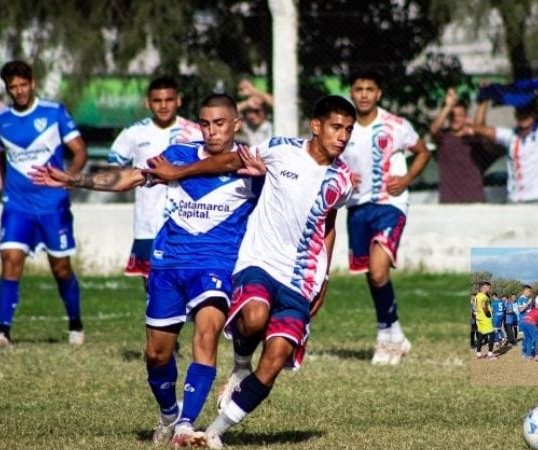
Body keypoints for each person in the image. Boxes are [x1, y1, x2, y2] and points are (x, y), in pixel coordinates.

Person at [31, 94, 259, 447]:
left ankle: (185, 426)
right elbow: (128, 178)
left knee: (206, 336)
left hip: (215, 265)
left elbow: (240, 168)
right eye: (206, 123)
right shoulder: (178, 153)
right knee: (156, 354)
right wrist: (72, 180)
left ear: (235, 125)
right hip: (167, 264)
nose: (212, 131)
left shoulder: (248, 162)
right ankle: (170, 412)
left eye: (220, 123)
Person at [146, 95, 356, 449]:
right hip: (259, 261)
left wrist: (325, 276)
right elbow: (229, 161)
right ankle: (241, 361)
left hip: (301, 278)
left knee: (274, 361)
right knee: (255, 318)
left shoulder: (343, 179)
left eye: (348, 130)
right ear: (316, 126)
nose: (343, 136)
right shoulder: (280, 149)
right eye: (336, 127)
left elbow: (329, 223)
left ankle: (213, 432)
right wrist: (177, 173)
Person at [0, 60, 88, 347]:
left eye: (22, 85)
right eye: (12, 87)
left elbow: (79, 150)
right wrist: (7, 189)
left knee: (61, 268)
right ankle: (2, 332)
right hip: (17, 206)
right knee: (10, 262)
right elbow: (3, 156)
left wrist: (69, 178)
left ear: (33, 83)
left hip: (52, 205)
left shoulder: (53, 113)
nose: (18, 91)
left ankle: (76, 324)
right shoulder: (2, 120)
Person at [341, 69, 431, 365]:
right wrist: (340, 177)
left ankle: (384, 337)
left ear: (378, 94)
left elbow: (422, 152)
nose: (364, 94)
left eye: (370, 88)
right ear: (351, 92)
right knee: (372, 274)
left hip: (389, 204)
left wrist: (405, 181)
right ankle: (396, 334)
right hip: (356, 206)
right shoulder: (343, 126)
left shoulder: (395, 125)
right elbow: (327, 160)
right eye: (358, 88)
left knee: (379, 270)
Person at [107, 77, 202, 285]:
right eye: (157, 100)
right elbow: (115, 170)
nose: (163, 105)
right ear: (148, 103)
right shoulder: (134, 133)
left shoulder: (195, 132)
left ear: (179, 101)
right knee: (152, 288)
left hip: (187, 221)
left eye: (169, 99)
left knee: (190, 287)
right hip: (148, 223)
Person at [471, 84, 538, 203]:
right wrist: (485, 99)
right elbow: (478, 128)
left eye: (527, 112)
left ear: (534, 115)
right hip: (514, 199)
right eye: (520, 112)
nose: (523, 116)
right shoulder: (510, 135)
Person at [428, 87, 485, 203]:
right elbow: (433, 130)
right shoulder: (443, 137)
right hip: (449, 201)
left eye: (460, 115)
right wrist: (448, 106)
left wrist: (484, 98)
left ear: (466, 117)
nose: (456, 119)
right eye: (452, 115)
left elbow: (482, 127)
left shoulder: (474, 137)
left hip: (474, 199)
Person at [236, 78, 274, 146]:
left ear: (265, 110)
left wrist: (253, 90)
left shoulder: (271, 125)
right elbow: (227, 112)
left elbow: (277, 105)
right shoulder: (246, 126)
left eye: (256, 111)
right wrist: (247, 104)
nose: (252, 116)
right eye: (248, 111)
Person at [473, 282, 496, 360]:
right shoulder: (483, 297)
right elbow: (483, 306)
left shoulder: (477, 296)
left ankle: (478, 354)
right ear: (484, 287)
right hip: (484, 318)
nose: (490, 289)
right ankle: (490, 354)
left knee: (480, 336)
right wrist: (488, 313)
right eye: (489, 287)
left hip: (479, 318)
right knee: (492, 334)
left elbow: (475, 308)